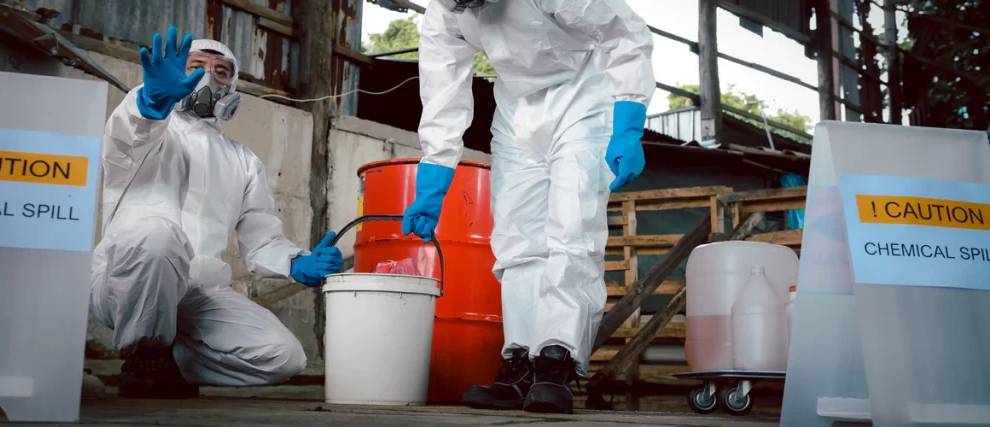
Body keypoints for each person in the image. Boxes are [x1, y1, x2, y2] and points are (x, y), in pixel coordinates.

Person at [401, 0, 655, 414]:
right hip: (516, 107)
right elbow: (443, 92)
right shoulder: (444, 13)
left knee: (572, 229)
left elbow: (624, 32)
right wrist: (432, 182)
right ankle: (520, 362)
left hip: (583, 95)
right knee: (515, 239)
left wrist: (628, 122)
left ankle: (556, 360)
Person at [90, 26, 343, 399]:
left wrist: (297, 262)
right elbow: (125, 136)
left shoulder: (243, 160)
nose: (208, 78)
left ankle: (169, 363)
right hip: (128, 280)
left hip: (199, 290)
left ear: (231, 88)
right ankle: (144, 353)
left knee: (284, 356)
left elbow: (261, 240)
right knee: (158, 234)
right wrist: (152, 101)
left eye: (220, 72)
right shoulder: (149, 126)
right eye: (196, 67)